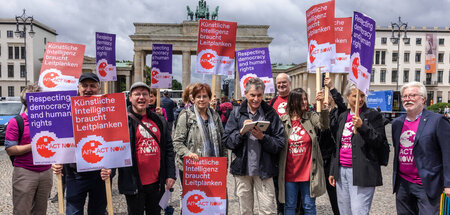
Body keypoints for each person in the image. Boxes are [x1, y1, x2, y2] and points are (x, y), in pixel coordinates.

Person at [223, 77, 285, 215]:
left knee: (268, 210)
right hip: (242, 169)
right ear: (246, 94)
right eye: (252, 95)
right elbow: (227, 141)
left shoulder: (270, 113)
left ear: (263, 94)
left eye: (259, 95)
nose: (256, 99)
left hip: (265, 169)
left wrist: (263, 138)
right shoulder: (237, 113)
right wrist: (241, 133)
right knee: (245, 211)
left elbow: (279, 143)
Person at [52, 72, 110, 215]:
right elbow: (58, 137)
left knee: (98, 212)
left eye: (92, 86)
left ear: (99, 88)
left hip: (101, 173)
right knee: (73, 212)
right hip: (75, 173)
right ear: (78, 88)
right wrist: (55, 160)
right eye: (84, 85)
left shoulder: (109, 110)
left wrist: (112, 167)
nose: (88, 89)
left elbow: (116, 139)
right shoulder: (67, 111)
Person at [113, 82, 176, 215]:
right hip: (134, 183)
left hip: (157, 182)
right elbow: (114, 150)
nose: (141, 97)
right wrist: (109, 171)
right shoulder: (122, 121)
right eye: (137, 94)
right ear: (130, 98)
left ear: (149, 98)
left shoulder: (159, 120)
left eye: (144, 94)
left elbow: (169, 148)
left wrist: (170, 174)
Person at [391, 82, 450, 215]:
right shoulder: (397, 123)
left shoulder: (437, 121)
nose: (408, 99)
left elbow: (448, 153)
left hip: (427, 183)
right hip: (403, 184)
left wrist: (448, 183)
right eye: (405, 96)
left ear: (423, 99)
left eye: (412, 95)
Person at [328, 83, 387, 215]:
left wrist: (363, 127)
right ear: (348, 97)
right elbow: (338, 145)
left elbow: (379, 142)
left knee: (359, 211)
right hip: (342, 171)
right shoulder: (343, 116)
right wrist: (333, 170)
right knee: (344, 211)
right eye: (355, 96)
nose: (360, 99)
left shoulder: (373, 115)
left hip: (362, 171)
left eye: (362, 95)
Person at [278, 88, 329, 215]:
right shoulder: (283, 120)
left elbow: (324, 125)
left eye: (305, 99)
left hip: (308, 173)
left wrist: (322, 106)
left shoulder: (311, 117)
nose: (305, 102)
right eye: (301, 100)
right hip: (290, 173)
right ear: (293, 101)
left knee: (309, 206)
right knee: (289, 206)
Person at [5, 83, 53, 215]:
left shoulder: (48, 120)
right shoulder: (16, 122)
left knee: (40, 211)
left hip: (46, 171)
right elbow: (10, 149)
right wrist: (34, 145)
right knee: (22, 210)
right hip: (25, 172)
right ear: (27, 102)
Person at [173, 83, 225, 181]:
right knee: (196, 196)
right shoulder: (186, 116)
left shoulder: (215, 116)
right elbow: (177, 142)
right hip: (192, 168)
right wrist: (188, 154)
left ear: (209, 98)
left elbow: (222, 141)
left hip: (213, 166)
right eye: (198, 96)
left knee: (214, 196)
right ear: (193, 99)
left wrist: (224, 164)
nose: (201, 99)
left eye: (204, 96)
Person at [317, 77, 346, 215]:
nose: (325, 99)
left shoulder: (338, 113)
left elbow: (343, 105)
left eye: (327, 96)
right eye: (322, 96)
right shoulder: (317, 114)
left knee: (335, 196)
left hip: (333, 158)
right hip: (319, 159)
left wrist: (333, 88)